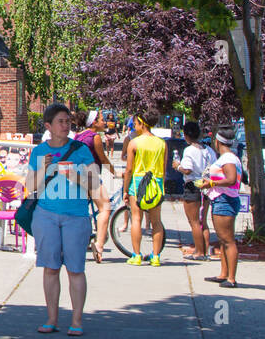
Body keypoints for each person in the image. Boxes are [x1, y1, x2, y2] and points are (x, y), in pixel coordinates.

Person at [27, 103, 101, 336]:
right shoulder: (39, 151)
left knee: (75, 269)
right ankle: (51, 318)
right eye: (60, 121)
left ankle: (77, 320)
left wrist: (75, 174)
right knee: (50, 268)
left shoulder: (80, 149)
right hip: (46, 215)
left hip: (76, 216)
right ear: (48, 126)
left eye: (68, 121)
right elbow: (29, 187)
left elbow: (95, 184)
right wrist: (43, 170)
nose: (66, 125)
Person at [201, 125, 243, 287]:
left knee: (228, 240)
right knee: (223, 240)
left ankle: (231, 278)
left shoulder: (228, 159)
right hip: (221, 199)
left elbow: (231, 179)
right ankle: (223, 274)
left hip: (225, 200)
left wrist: (211, 183)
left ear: (218, 141)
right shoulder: (230, 157)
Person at [123, 115, 167, 266]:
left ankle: (136, 255)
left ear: (142, 124)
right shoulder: (162, 144)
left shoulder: (134, 143)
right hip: (156, 182)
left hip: (138, 182)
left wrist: (125, 189)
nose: (134, 127)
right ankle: (155, 256)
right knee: (156, 221)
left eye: (135, 124)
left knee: (136, 219)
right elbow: (164, 167)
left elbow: (129, 169)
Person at [74, 111, 115, 262]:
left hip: (77, 176)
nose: (104, 122)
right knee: (105, 207)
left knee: (81, 211)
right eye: (102, 119)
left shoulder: (78, 136)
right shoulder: (94, 137)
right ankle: (99, 245)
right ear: (93, 122)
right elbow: (103, 158)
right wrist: (114, 172)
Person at [173, 121, 212, 260]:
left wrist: (177, 167)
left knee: (194, 221)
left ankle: (199, 252)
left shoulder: (189, 150)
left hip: (192, 185)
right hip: (206, 185)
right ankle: (205, 250)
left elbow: (188, 169)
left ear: (186, 135)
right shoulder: (208, 149)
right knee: (203, 221)